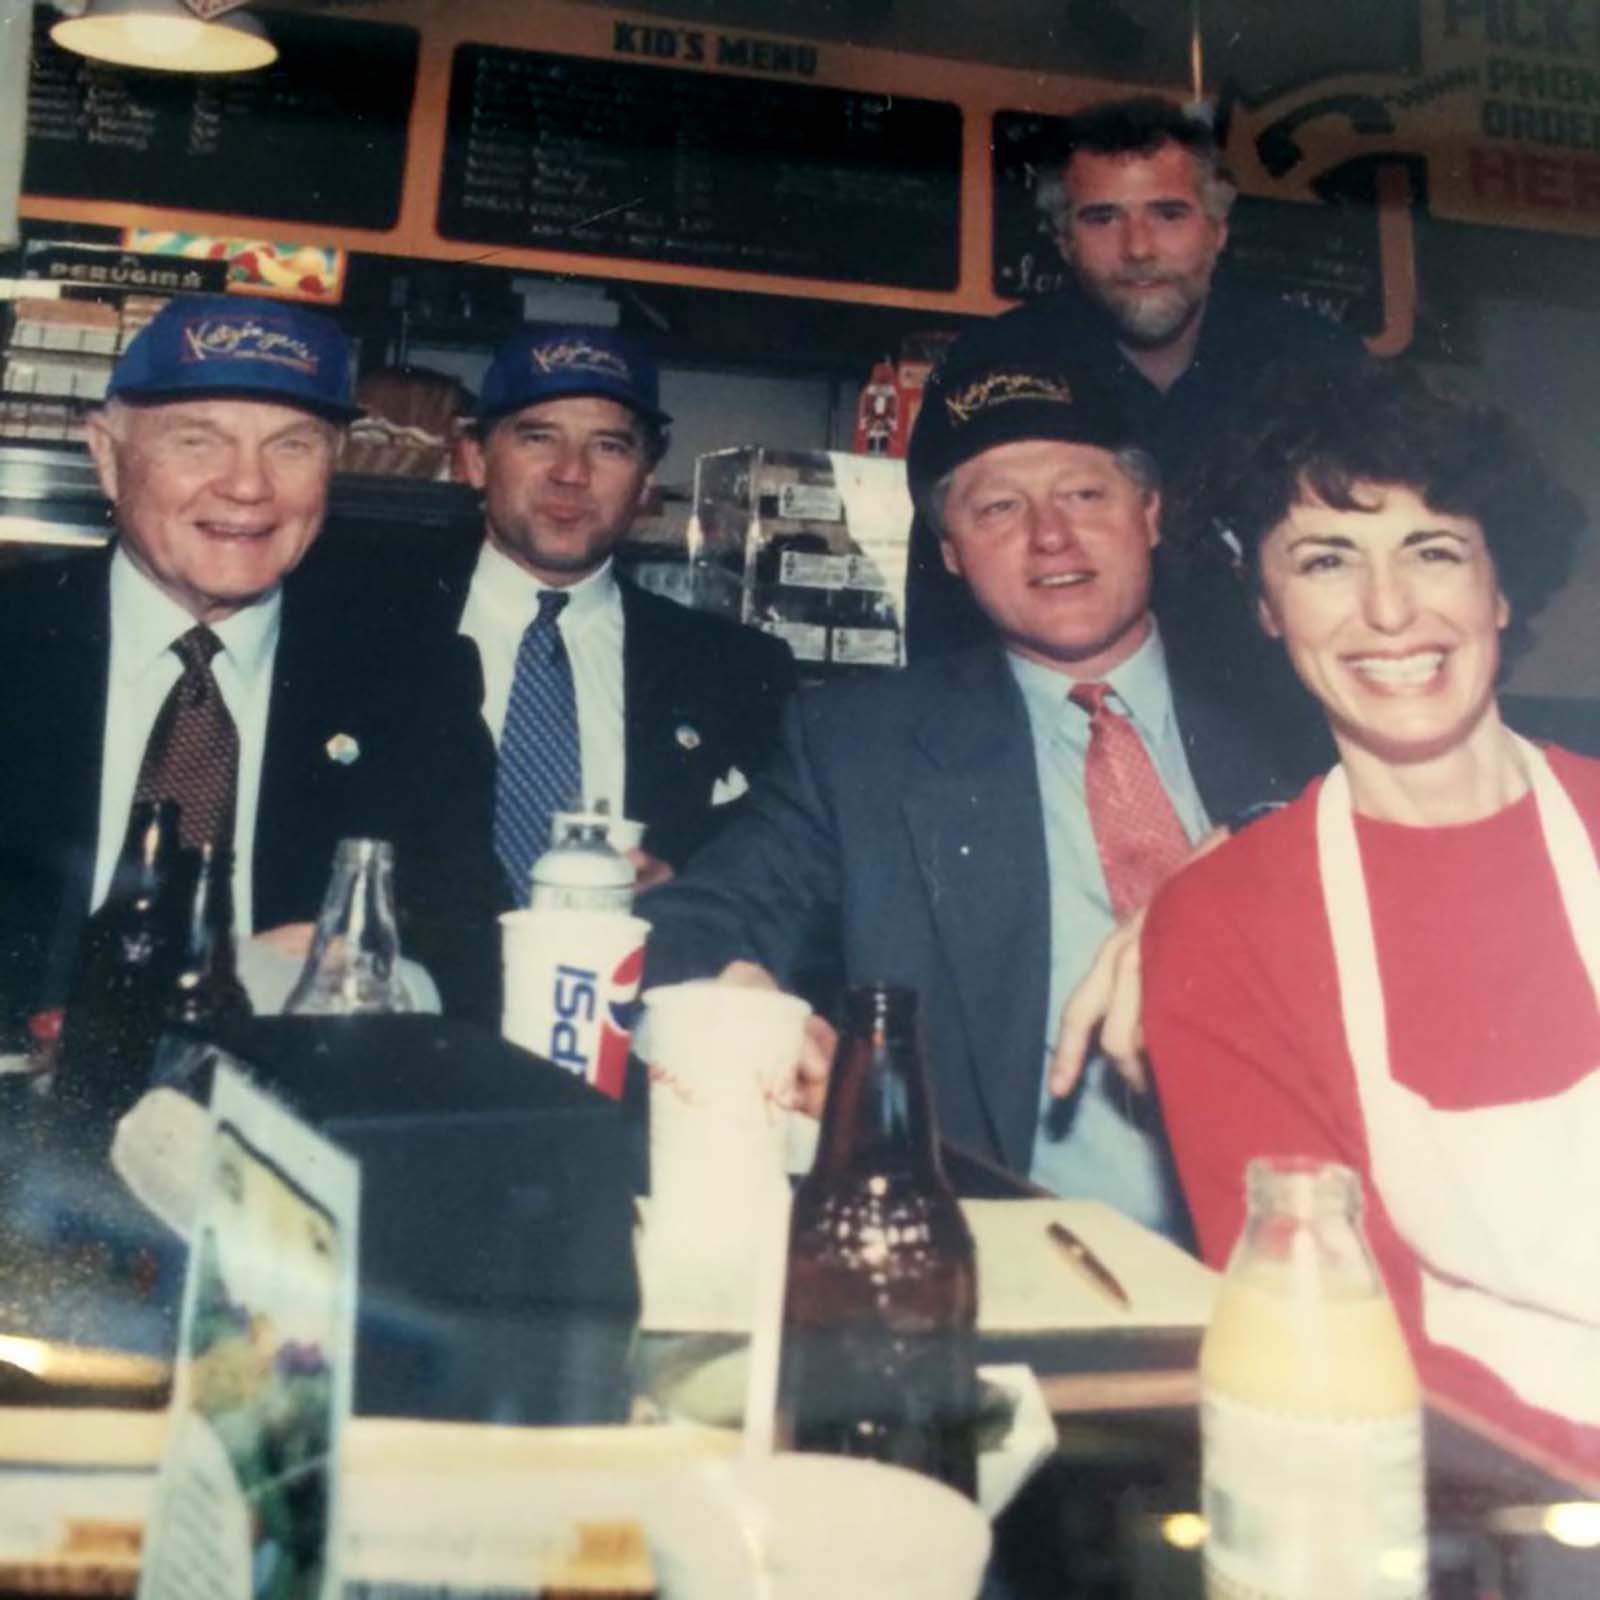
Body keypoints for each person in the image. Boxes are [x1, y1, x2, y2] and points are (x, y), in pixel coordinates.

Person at [643, 352, 1297, 1236]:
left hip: (1300, 1252)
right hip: (1029, 1267)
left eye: (1084, 495)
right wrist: (735, 992)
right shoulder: (861, 749)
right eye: (998, 509)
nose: (1050, 536)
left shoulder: (1303, 724)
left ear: (1151, 513)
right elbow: (698, 920)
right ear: (950, 553)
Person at [1140, 360, 1599, 1470]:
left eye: (1432, 549)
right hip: (1470, 1505)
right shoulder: (1223, 923)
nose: (1388, 612)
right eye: (1324, 560)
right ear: (1263, 604)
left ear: (1499, 588)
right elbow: (1339, 1342)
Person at [0, 294, 502, 1038]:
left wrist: (369, 974)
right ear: (107, 456)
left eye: (292, 445)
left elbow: (473, 955)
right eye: (197, 441)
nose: (248, 486)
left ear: (335, 464)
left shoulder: (412, 682)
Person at [907, 96, 1359, 781]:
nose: (1139, 248)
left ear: (1217, 228)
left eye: (1168, 213)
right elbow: (944, 597)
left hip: (1294, 747)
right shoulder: (996, 366)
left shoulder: (1318, 364)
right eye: (1102, 218)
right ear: (1063, 241)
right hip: (1058, 750)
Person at [398, 325, 796, 903]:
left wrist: (681, 891)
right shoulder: (367, 638)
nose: (571, 473)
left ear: (645, 483)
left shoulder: (738, 668)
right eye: (538, 438)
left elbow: (784, 879)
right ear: (475, 459)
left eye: (609, 446)